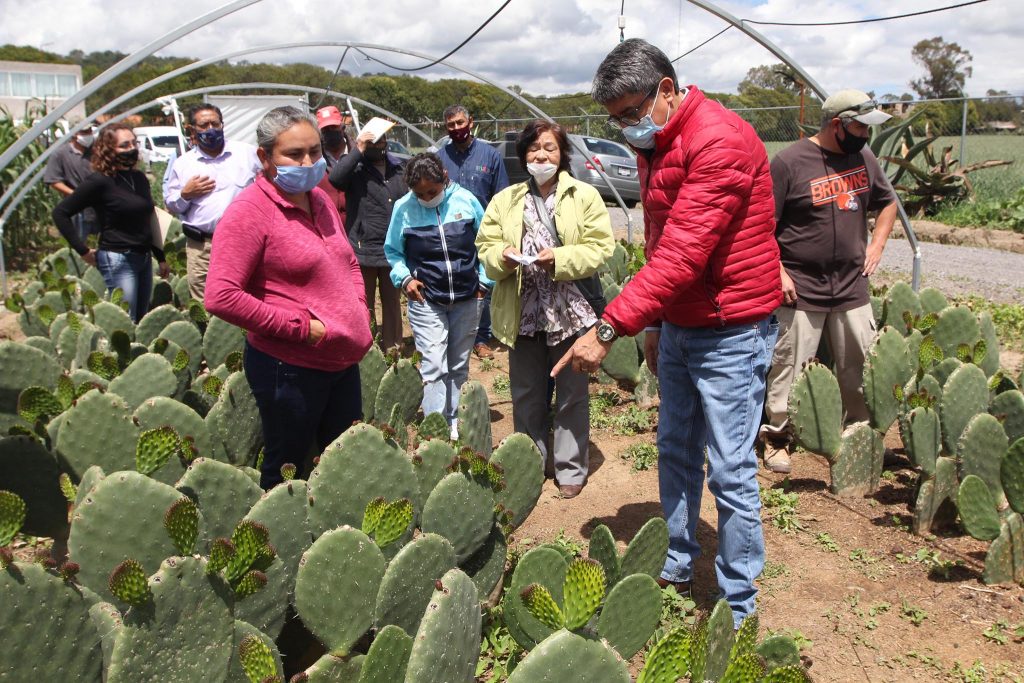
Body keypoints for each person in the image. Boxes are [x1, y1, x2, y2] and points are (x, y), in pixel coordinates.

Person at [553, 39, 781, 626]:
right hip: (680, 325)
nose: (627, 127)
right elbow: (659, 241)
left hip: (731, 330)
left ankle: (738, 604)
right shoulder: (659, 142)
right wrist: (655, 322)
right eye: (616, 119)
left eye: (632, 112)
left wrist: (608, 329)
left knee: (730, 469)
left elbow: (682, 254)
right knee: (675, 451)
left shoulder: (718, 140)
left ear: (667, 89)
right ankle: (678, 561)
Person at [205, 106, 372, 490]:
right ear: (265, 157)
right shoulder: (250, 212)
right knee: (287, 470)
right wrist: (301, 328)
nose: (308, 162)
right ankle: (278, 528)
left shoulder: (319, 199)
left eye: (314, 151)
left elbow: (347, 261)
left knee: (343, 463)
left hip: (341, 360)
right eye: (294, 154)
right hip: (290, 367)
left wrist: (359, 308)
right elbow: (221, 295)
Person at [760, 90, 898, 474]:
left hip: (852, 285)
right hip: (800, 288)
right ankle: (778, 439)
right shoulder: (789, 162)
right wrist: (778, 271)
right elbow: (763, 225)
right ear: (837, 124)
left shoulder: (864, 157)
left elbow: (888, 202)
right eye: (861, 127)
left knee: (860, 367)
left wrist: (878, 244)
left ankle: (860, 438)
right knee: (789, 367)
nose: (866, 135)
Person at [477, 120, 614, 499]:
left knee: (572, 392)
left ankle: (570, 468)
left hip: (571, 313)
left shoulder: (583, 195)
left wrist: (560, 257)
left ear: (562, 154)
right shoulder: (505, 200)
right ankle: (530, 464)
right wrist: (502, 256)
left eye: (549, 148)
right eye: (534, 148)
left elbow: (601, 247)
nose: (541, 155)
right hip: (522, 312)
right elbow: (485, 245)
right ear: (523, 155)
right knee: (526, 392)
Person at [385, 153, 491, 438]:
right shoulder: (403, 208)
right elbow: (393, 251)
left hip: (468, 297)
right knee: (433, 365)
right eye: (419, 194)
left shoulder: (466, 200)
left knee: (458, 364)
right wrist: (405, 279)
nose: (426, 198)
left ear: (444, 177)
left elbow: (486, 243)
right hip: (426, 300)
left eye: (432, 192)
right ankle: (435, 428)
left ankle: (455, 420)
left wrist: (484, 282)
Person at [52, 124, 169, 323]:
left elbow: (148, 218)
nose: (131, 149)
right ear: (108, 150)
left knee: (141, 320)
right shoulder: (99, 182)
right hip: (118, 258)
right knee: (126, 321)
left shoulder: (139, 178)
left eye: (133, 143)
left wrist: (160, 257)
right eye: (124, 145)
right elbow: (60, 213)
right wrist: (82, 250)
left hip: (143, 257)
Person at [164, 104, 262, 302]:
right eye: (204, 125)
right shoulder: (183, 164)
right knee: (206, 301)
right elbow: (171, 205)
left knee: (248, 298)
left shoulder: (247, 154)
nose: (211, 129)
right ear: (192, 129)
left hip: (243, 243)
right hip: (203, 247)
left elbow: (269, 183)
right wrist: (185, 194)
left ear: (222, 125)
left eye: (215, 124)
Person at [436, 105, 510, 360]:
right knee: (454, 280)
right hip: (451, 233)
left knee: (484, 282)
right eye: (451, 125)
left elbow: (501, 196)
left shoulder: (490, 156)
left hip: (484, 231)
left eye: (460, 122)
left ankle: (481, 338)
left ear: (471, 122)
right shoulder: (440, 158)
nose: (456, 128)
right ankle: (455, 336)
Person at [329, 122, 408, 352]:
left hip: (392, 247)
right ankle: (367, 349)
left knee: (392, 302)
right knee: (365, 302)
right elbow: (335, 179)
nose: (379, 143)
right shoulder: (355, 167)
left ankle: (393, 349)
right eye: (373, 140)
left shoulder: (398, 167)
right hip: (363, 247)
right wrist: (359, 148)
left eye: (382, 139)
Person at [44, 126, 98, 244]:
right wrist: (76, 195)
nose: (89, 134)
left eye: (89, 131)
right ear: (74, 133)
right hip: (78, 208)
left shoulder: (96, 151)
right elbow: (54, 181)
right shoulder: (60, 154)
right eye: (84, 132)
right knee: (79, 243)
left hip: (99, 206)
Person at [314, 105, 356, 226]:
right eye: (325, 129)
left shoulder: (358, 155)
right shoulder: (313, 160)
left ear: (342, 127)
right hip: (327, 227)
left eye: (333, 127)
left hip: (355, 229)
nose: (330, 131)